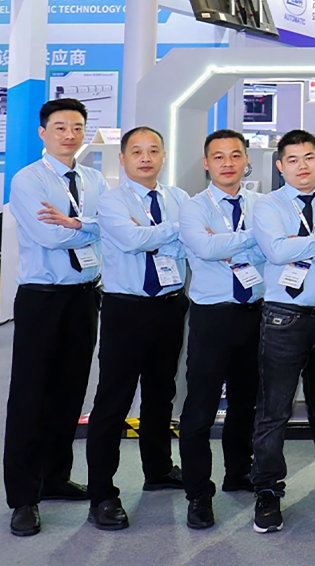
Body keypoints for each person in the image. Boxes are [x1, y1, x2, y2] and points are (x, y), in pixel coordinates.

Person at [3, 98, 108, 537]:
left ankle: (56, 477)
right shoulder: (28, 180)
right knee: (30, 396)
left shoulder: (95, 179)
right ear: (43, 132)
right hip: (42, 298)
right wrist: (86, 225)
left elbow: (113, 226)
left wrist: (74, 222)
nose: (70, 134)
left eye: (77, 127)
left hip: (84, 295)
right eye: (61, 127)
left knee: (70, 389)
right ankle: (23, 498)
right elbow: (47, 234)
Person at [248, 129, 315, 534]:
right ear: (280, 166)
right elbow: (276, 251)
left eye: (309, 157)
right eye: (292, 160)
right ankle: (267, 490)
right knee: (274, 409)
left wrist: (302, 241)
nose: (302, 166)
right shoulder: (268, 204)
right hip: (285, 316)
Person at [85, 126, 191, 530]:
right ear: (123, 159)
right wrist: (173, 231)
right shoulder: (111, 201)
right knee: (113, 401)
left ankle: (158, 468)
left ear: (163, 156)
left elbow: (192, 242)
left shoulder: (179, 198)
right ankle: (102, 494)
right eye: (137, 152)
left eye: (153, 151)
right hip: (126, 310)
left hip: (169, 305)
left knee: (161, 393)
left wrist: (156, 234)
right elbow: (131, 240)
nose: (145, 158)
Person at [177, 129, 267, 530]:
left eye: (235, 155)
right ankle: (198, 494)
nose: (227, 163)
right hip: (212, 316)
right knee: (200, 409)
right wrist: (251, 240)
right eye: (218, 157)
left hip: (256, 312)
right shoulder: (193, 208)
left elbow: (274, 248)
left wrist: (228, 242)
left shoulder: (263, 205)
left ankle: (238, 471)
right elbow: (205, 248)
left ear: (246, 160)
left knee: (247, 403)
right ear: (206, 163)